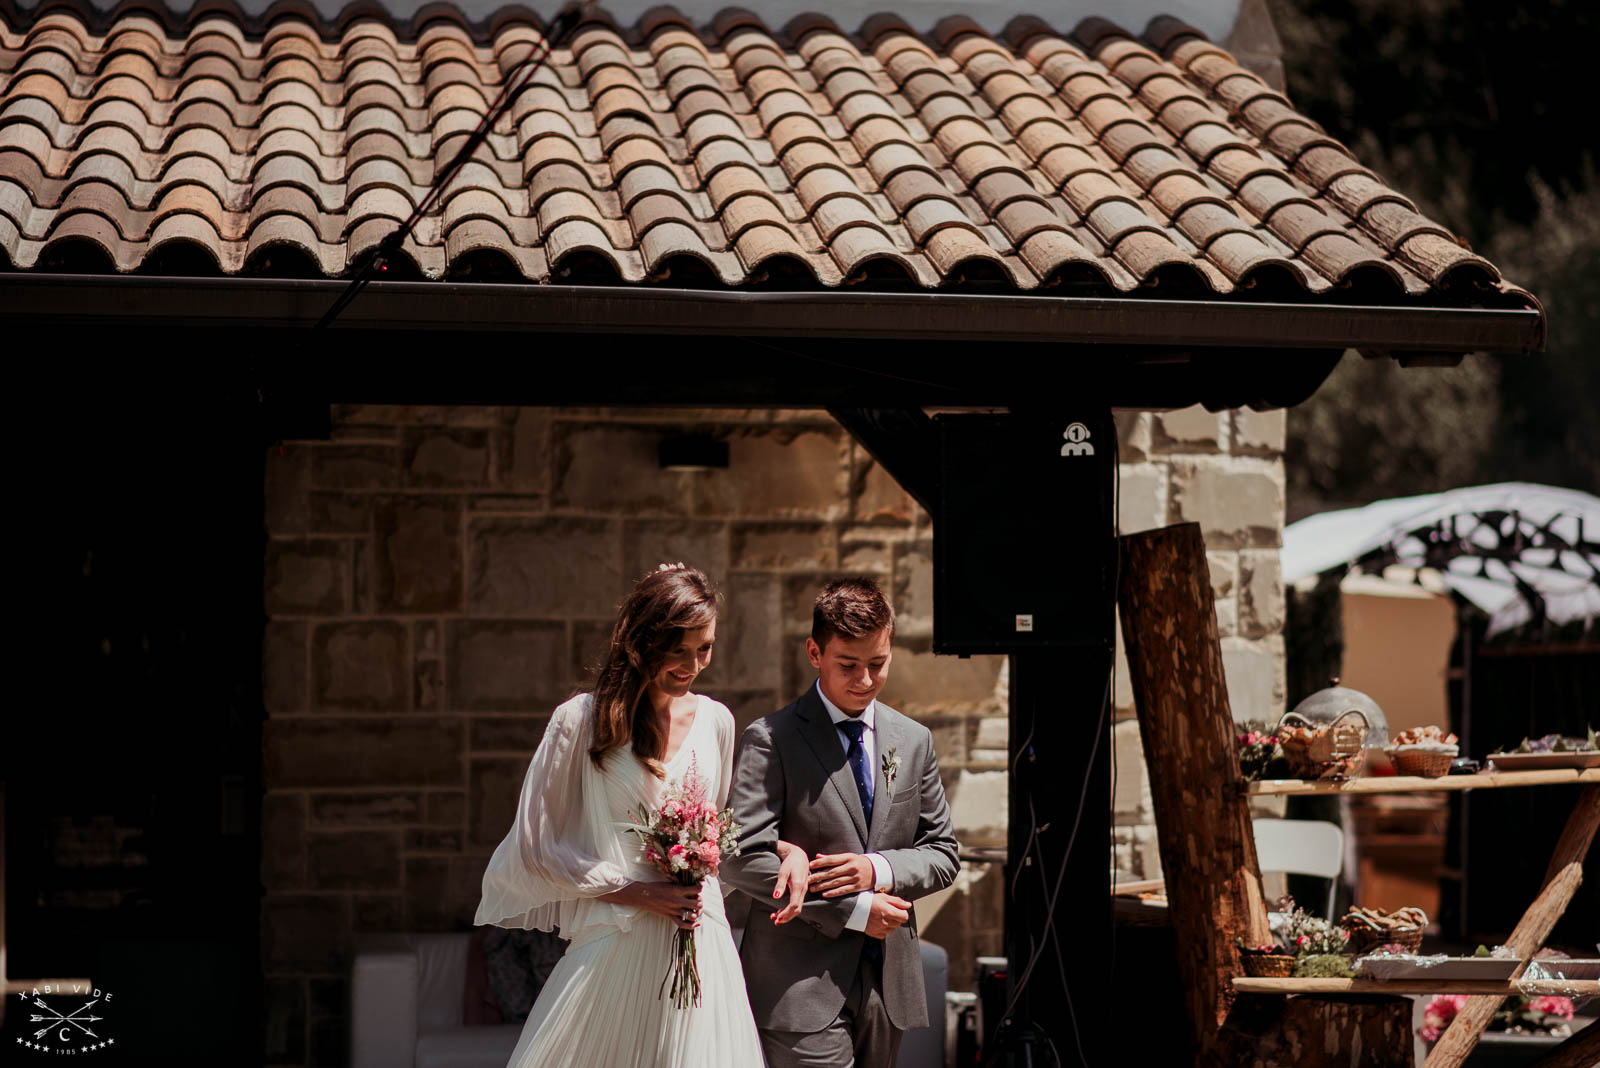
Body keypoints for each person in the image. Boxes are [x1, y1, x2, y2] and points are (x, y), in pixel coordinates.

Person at [474, 564, 808, 1068]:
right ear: (643, 640)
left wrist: (788, 850)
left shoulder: (718, 720)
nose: (693, 664)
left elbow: (716, 832)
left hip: (700, 940)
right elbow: (537, 843)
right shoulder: (579, 720)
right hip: (617, 935)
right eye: (679, 648)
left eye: (705, 647)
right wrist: (636, 892)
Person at [722, 578, 961, 1068]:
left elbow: (943, 853)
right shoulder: (771, 739)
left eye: (878, 664)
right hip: (797, 988)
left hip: (888, 984)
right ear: (815, 652)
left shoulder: (913, 741)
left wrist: (875, 870)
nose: (866, 680)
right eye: (848, 665)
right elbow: (740, 858)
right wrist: (851, 908)